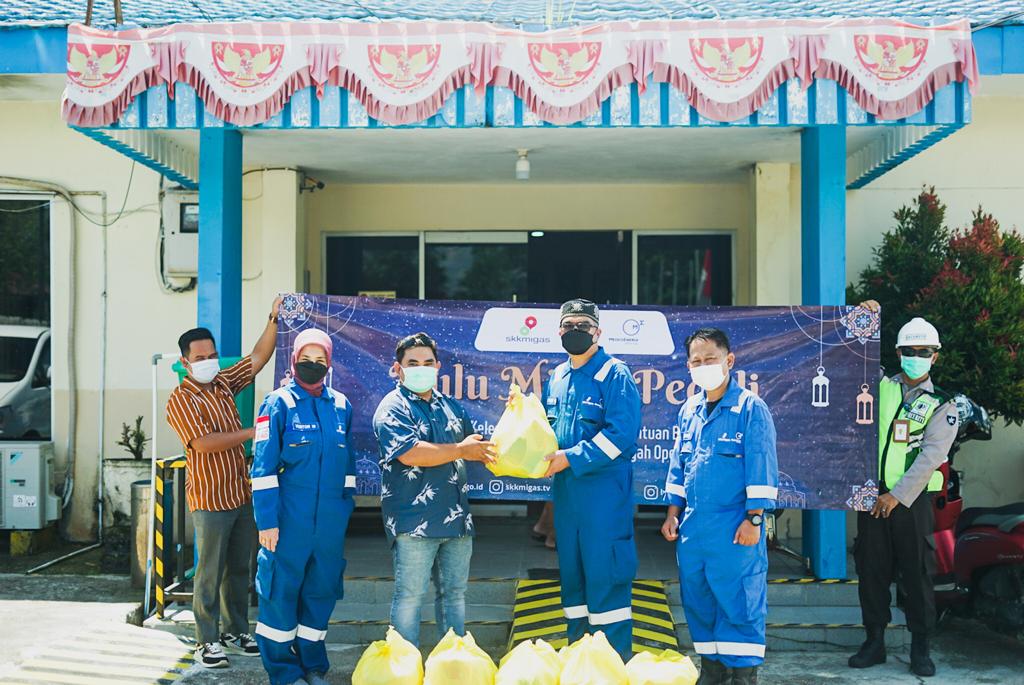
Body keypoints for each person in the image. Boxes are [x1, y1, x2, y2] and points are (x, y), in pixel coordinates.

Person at [165, 296, 282, 668]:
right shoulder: (181, 400)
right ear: (185, 362)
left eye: (211, 355)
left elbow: (257, 358)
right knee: (209, 572)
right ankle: (206, 639)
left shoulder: (221, 384)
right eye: (200, 358)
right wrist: (252, 432)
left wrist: (274, 319)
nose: (208, 362)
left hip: (239, 492)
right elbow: (202, 443)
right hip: (210, 498)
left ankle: (235, 630)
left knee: (239, 569)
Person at [661, 327, 778, 685]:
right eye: (695, 361)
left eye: (710, 359)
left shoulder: (750, 409)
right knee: (699, 598)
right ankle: (711, 669)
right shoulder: (689, 410)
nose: (703, 365)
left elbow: (761, 465)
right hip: (695, 530)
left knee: (739, 600)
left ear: (729, 360)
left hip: (735, 528)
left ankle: (743, 674)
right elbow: (679, 465)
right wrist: (672, 513)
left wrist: (754, 519)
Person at [849, 315, 958, 678]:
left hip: (910, 505)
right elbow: (851, 356)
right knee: (872, 571)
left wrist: (895, 496)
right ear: (897, 352)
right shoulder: (879, 386)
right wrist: (864, 314)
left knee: (917, 575)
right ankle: (874, 642)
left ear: (935, 356)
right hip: (873, 499)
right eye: (909, 350)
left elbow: (930, 458)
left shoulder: (942, 404)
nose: (915, 356)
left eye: (923, 351)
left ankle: (921, 649)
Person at [371, 332, 496, 645]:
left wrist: (519, 414)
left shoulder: (450, 406)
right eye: (412, 363)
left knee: (454, 596)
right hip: (414, 523)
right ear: (397, 368)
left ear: (438, 366)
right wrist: (461, 450)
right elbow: (412, 453)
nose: (421, 368)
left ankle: (453, 666)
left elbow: (475, 447)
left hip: (456, 521)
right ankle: (404, 669)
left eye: (427, 362)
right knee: (410, 597)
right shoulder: (393, 408)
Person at [250, 328, 355, 685]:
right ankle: (283, 673)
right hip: (286, 523)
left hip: (328, 526)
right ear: (294, 361)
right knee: (279, 593)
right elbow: (262, 470)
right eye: (306, 360)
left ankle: (313, 667)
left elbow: (348, 470)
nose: (313, 365)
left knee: (320, 594)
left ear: (329, 363)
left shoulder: (341, 406)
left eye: (320, 360)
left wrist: (342, 514)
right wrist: (266, 522)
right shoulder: (276, 404)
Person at [542, 298, 642, 662]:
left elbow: (622, 436)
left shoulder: (615, 374)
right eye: (569, 325)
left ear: (598, 332)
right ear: (558, 332)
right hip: (567, 498)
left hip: (604, 497)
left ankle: (612, 667)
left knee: (606, 581)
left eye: (584, 325)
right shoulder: (557, 376)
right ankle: (579, 664)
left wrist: (571, 457)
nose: (575, 331)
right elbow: (545, 432)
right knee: (573, 583)